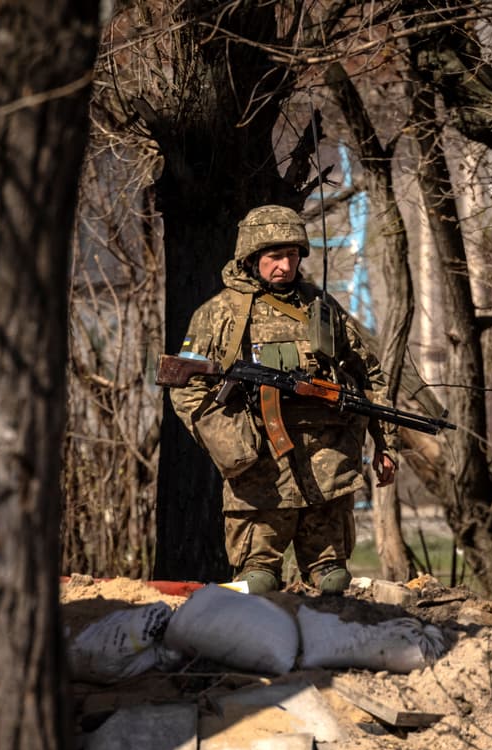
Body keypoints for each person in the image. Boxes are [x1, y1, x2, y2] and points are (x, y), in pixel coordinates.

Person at [169, 205, 399, 595]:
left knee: (333, 580)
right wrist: (228, 439)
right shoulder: (219, 314)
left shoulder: (322, 310)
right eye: (274, 256)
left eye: (292, 256)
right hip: (259, 473)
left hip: (326, 469)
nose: (285, 266)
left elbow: (370, 374)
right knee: (256, 582)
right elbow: (185, 384)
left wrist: (385, 443)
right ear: (251, 258)